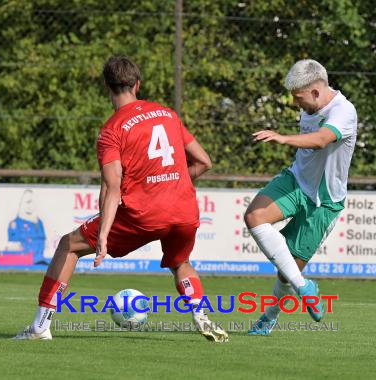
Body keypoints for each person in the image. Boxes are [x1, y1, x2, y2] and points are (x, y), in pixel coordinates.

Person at [14, 55, 229, 343]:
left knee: (69, 245)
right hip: (183, 210)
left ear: (106, 86)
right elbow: (204, 162)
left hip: (143, 214)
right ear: (137, 84)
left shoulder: (111, 131)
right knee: (181, 262)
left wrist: (103, 236)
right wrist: (170, 185)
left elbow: (112, 186)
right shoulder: (167, 114)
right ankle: (201, 315)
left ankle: (40, 326)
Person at [245, 59, 357, 335]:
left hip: (324, 202)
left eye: (298, 98)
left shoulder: (344, 111)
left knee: (286, 272)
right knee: (254, 216)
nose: (296, 104)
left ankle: (269, 316)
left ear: (316, 92)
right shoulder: (311, 105)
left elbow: (321, 139)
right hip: (296, 181)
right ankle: (305, 286)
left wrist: (282, 138)